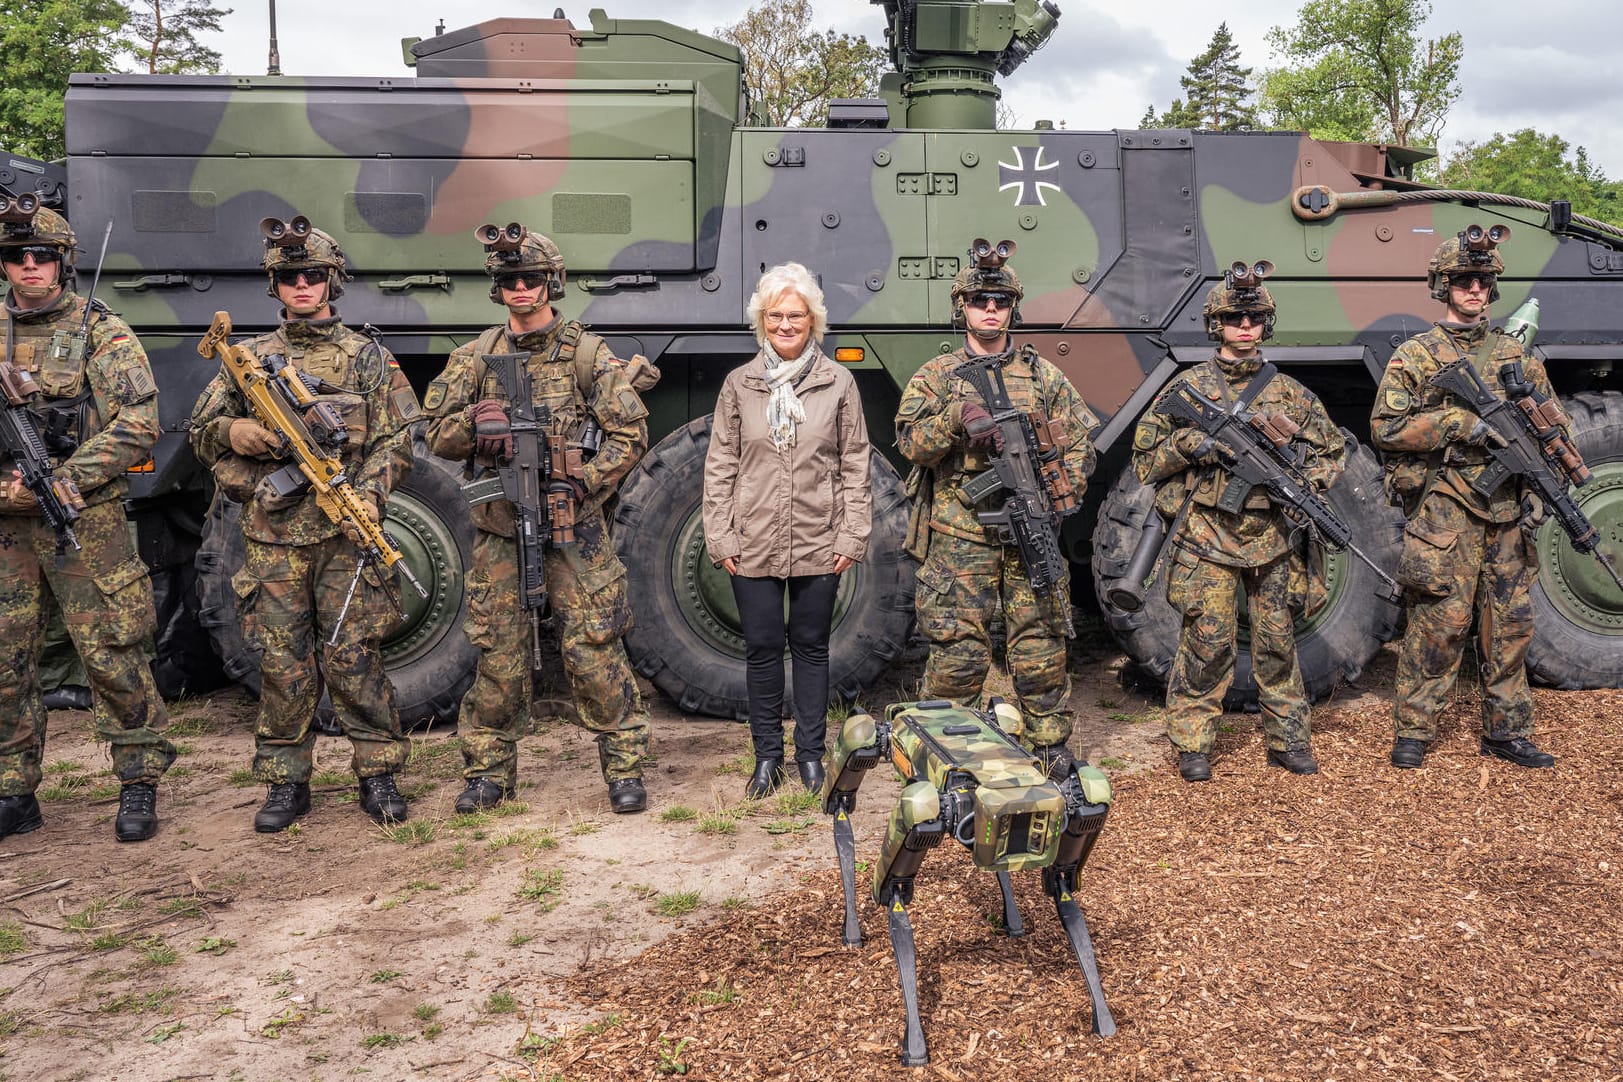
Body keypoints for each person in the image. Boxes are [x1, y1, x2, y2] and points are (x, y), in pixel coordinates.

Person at [190, 217, 417, 831]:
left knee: (354, 655)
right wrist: (234, 431)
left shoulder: (367, 356)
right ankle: (286, 780)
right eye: (289, 276)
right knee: (283, 660)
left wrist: (369, 494)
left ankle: (379, 772)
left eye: (313, 274)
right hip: (274, 537)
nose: (302, 285)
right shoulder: (248, 358)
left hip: (344, 533)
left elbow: (401, 436)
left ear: (331, 281)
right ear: (276, 285)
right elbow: (201, 429)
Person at [423, 225, 654, 815]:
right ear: (497, 289)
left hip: (574, 526)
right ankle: (487, 774)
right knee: (498, 650)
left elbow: (630, 432)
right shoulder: (475, 358)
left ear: (553, 282)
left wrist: (585, 482)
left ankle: (624, 768)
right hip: (501, 530)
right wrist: (479, 426)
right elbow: (432, 433)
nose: (520, 289)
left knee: (594, 646)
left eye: (530, 279)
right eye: (508, 281)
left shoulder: (585, 354)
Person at [1131, 262, 1346, 782]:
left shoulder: (1290, 393)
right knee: (1208, 641)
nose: (1245, 326)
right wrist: (1195, 444)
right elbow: (1145, 458)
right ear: (1216, 325)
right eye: (1234, 317)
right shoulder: (1189, 388)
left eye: (1254, 317)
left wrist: (1302, 483)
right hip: (1207, 536)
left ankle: (1288, 739)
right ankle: (1193, 742)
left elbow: (1332, 452)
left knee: (1276, 642)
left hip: (1272, 539)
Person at [0, 205, 175, 842]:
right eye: (17, 256)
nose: (29, 266)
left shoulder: (102, 332)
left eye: (41, 255)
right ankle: (13, 790)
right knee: (5, 660)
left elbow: (137, 423)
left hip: (82, 519)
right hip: (6, 528)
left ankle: (137, 781)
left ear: (62, 261)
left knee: (112, 652)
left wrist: (67, 479)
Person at [894, 239, 1098, 775]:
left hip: (1028, 530)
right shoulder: (936, 376)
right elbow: (911, 444)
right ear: (961, 306)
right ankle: (940, 757)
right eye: (980, 301)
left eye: (1000, 302)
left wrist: (1057, 491)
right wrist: (956, 420)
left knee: (1041, 650)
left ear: (1013, 309)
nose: (991, 310)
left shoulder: (1044, 377)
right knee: (957, 655)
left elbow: (1081, 444)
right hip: (961, 539)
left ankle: (1049, 751)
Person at [1371, 228, 1560, 770]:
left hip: (1504, 512)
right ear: (1443, 285)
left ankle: (1507, 730)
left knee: (1509, 625)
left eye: (1483, 280)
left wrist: (1540, 451)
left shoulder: (1516, 358)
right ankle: (1414, 728)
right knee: (1438, 623)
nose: (1474, 288)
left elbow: (1553, 424)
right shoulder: (1417, 355)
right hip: (1445, 509)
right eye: (1463, 280)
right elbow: (1386, 426)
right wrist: (1458, 424)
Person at [702, 263, 872, 798]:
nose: (785, 324)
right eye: (775, 315)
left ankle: (811, 756)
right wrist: (721, 536)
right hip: (753, 538)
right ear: (761, 320)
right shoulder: (740, 385)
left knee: (811, 647)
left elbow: (855, 464)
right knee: (761, 647)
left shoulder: (837, 382)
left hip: (820, 537)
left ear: (812, 320)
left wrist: (851, 535)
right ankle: (767, 758)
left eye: (795, 315)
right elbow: (721, 464)